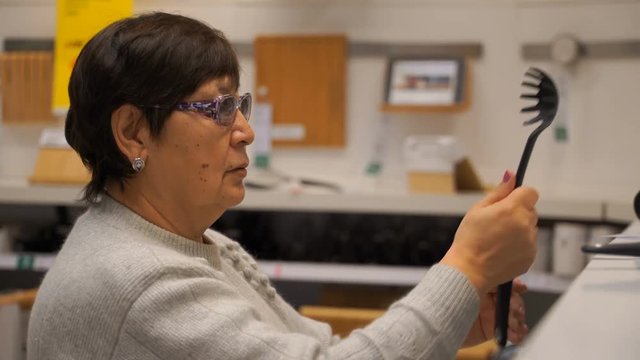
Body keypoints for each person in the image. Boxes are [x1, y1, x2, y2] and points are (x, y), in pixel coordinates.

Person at [27, 12, 538, 360]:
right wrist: (466, 267)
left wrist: (455, 320)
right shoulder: (141, 284)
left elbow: (316, 347)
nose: (246, 130)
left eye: (239, 105)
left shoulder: (195, 245)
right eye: (219, 108)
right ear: (133, 132)